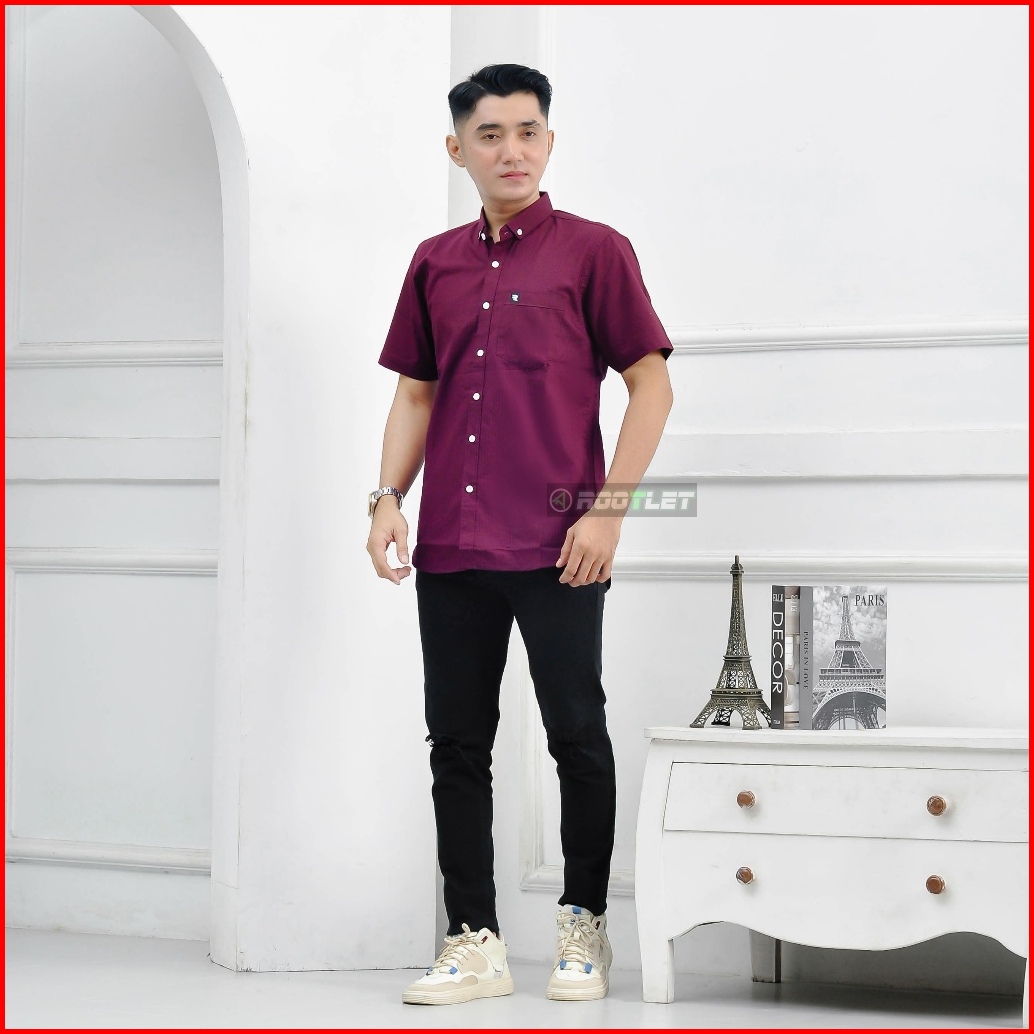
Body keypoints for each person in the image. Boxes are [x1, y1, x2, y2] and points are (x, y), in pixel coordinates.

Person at [368, 63, 673, 1006]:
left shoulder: (595, 253)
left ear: (549, 141)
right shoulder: (434, 262)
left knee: (576, 732)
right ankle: (474, 942)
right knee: (456, 744)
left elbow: (651, 384)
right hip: (453, 546)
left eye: (528, 131)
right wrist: (386, 497)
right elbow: (416, 393)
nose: (512, 150)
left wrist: (608, 511)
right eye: (491, 134)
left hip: (560, 543)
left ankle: (585, 928)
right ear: (457, 149)